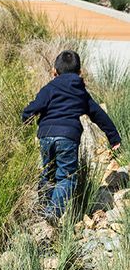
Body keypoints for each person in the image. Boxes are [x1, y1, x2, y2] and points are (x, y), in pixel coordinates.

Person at [22, 50, 121, 224]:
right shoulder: (81, 93)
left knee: (48, 174)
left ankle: (43, 209)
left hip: (46, 136)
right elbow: (99, 115)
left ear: (54, 72)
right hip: (68, 137)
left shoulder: (49, 88)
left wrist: (26, 118)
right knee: (66, 178)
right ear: (80, 73)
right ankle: (52, 212)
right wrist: (114, 138)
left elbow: (34, 107)